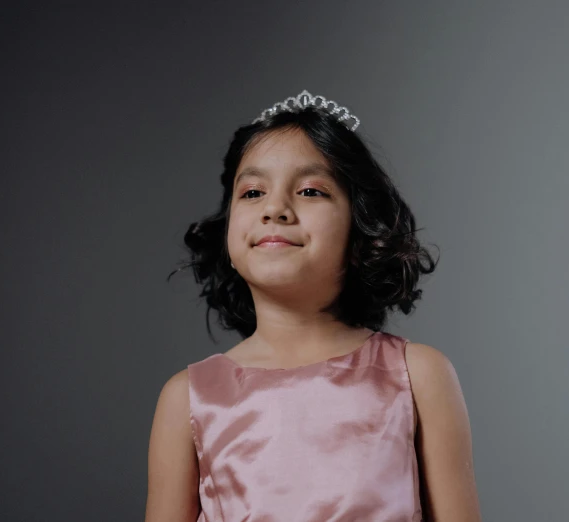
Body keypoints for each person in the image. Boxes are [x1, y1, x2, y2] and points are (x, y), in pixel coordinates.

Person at [145, 90, 482, 521]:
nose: (275, 208)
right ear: (228, 234)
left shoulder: (418, 375)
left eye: (309, 190)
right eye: (251, 192)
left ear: (361, 232)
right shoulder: (188, 399)